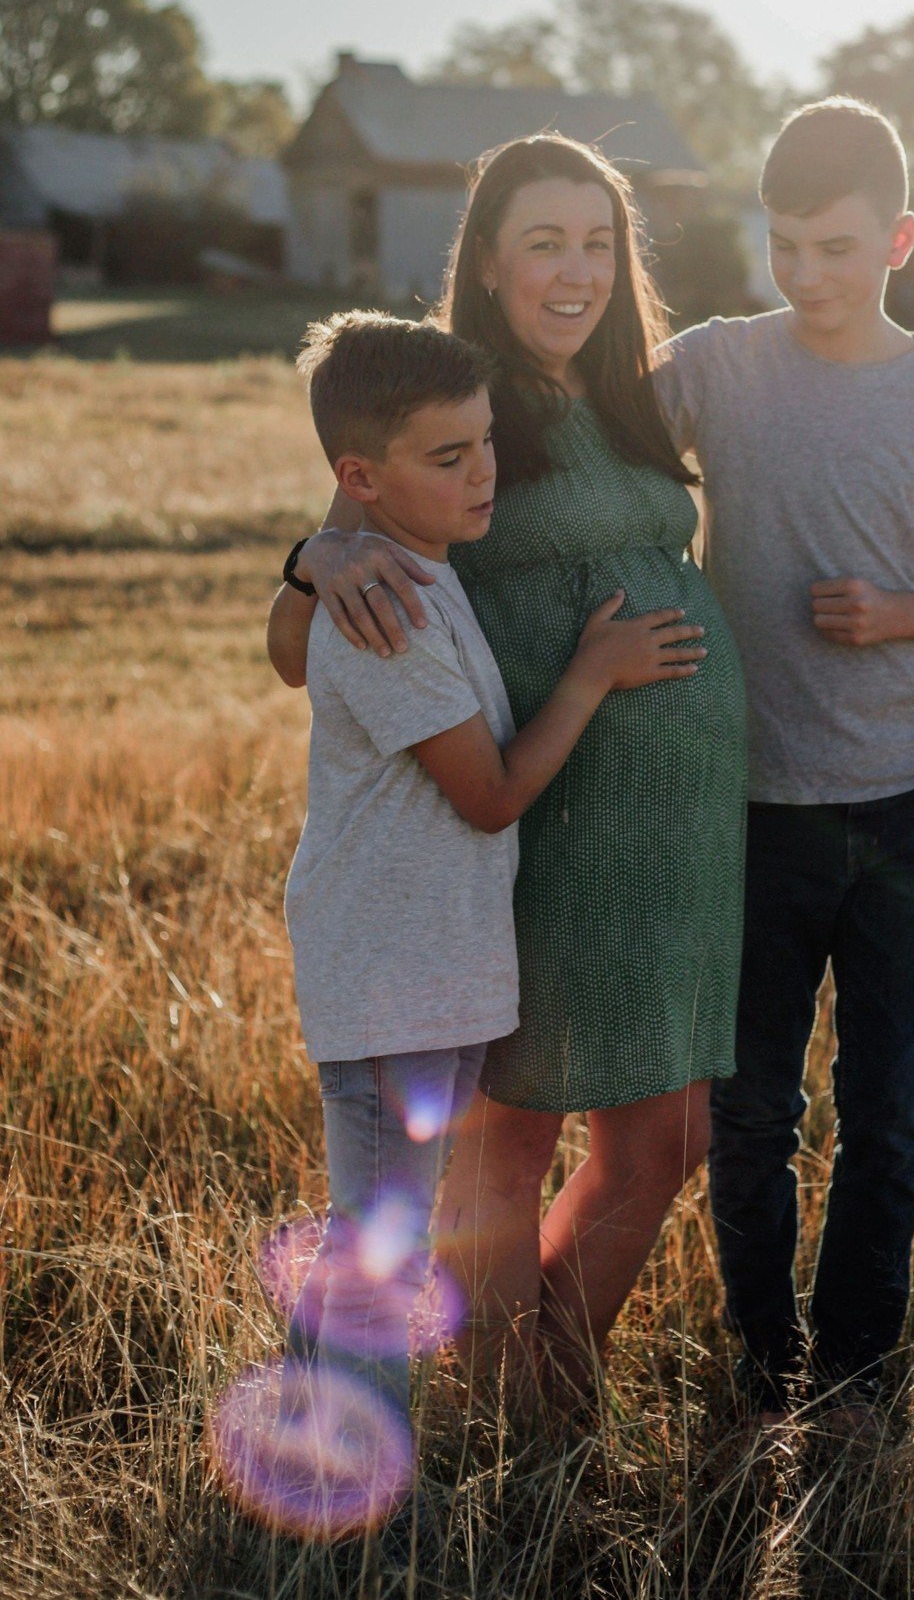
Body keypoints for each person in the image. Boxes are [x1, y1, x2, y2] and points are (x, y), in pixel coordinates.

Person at [265, 138, 747, 1401]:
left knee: (670, 1134)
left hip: (678, 834)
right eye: (543, 241)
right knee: (507, 1137)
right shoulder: (461, 401)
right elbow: (310, 623)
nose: (576, 269)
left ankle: (541, 1375)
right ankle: (513, 1406)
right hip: (543, 820)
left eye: (598, 240)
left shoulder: (639, 391)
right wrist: (311, 557)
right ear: (485, 260)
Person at [653, 97, 914, 1430]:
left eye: (835, 245)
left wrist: (899, 614)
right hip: (754, 813)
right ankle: (764, 1363)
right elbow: (565, 440)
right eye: (784, 246)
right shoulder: (713, 366)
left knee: (888, 1115)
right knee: (751, 1115)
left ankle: (857, 1373)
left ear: (900, 239)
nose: (808, 273)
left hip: (910, 812)